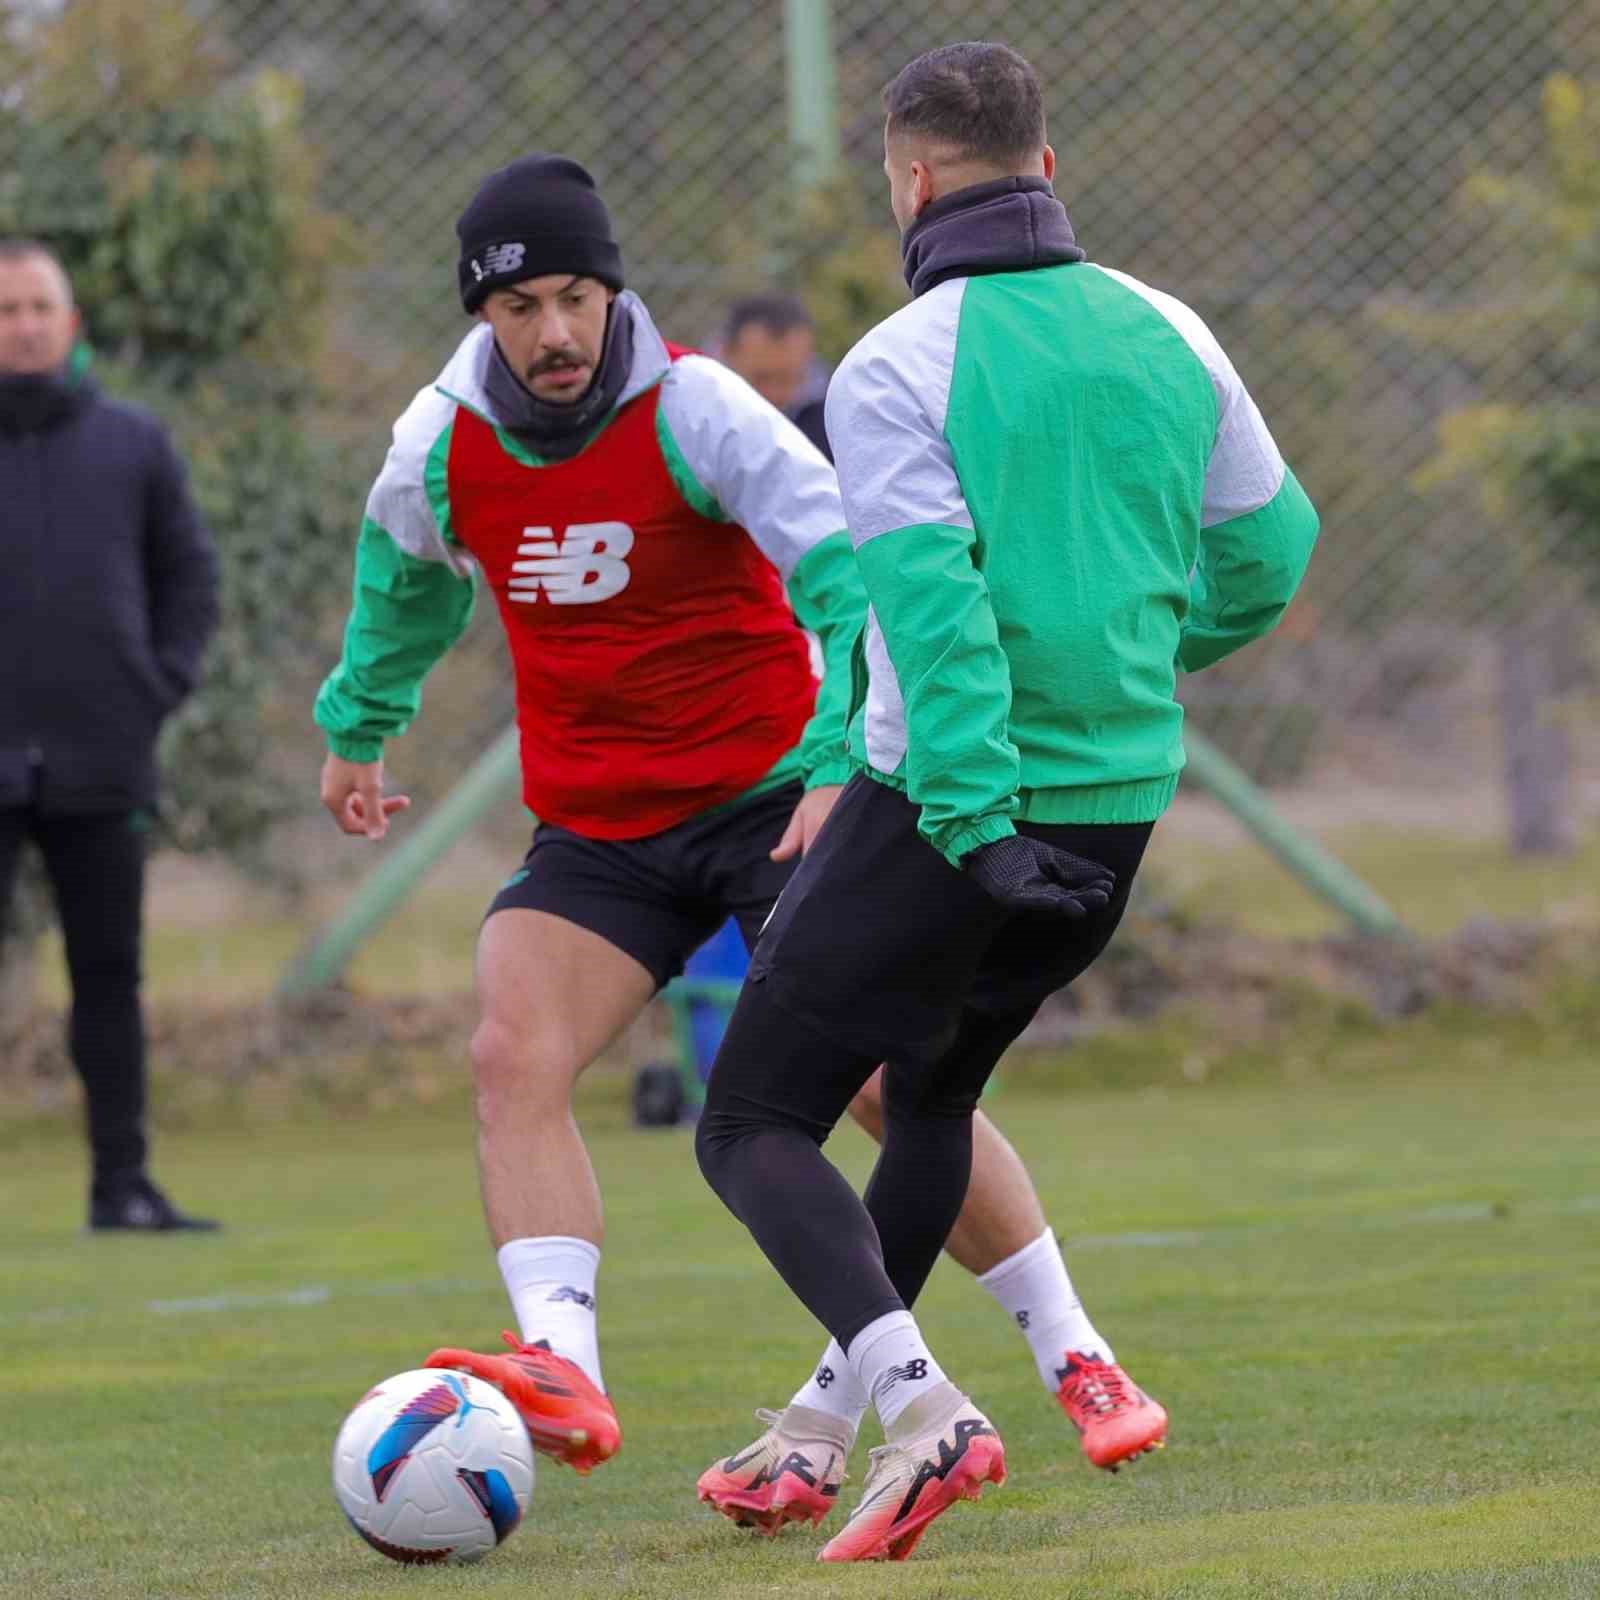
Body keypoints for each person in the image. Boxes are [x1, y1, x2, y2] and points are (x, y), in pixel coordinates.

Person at [313, 153, 1167, 1490]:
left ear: (614, 294)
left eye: (576, 298)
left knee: (894, 1086)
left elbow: (850, 572)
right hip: (599, 831)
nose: (551, 331)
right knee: (508, 1050)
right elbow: (405, 580)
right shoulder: (438, 443)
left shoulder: (698, 407)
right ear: (480, 316)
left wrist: (834, 761)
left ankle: (1075, 1354)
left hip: (774, 800)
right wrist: (360, 723)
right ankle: (565, 1372)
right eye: (520, 305)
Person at [694, 40, 1320, 1563]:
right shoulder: (1174, 331)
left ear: (908, 180)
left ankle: (930, 1420)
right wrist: (1134, 655)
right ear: (1047, 167)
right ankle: (823, 1435)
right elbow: (1271, 554)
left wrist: (970, 820)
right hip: (1116, 808)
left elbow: (933, 612)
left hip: (957, 814)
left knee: (755, 1121)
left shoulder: (904, 363)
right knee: (932, 1102)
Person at [0, 239, 220, 1232]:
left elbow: (190, 579)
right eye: (6, 310)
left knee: (108, 978)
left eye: (40, 305)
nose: (25, 323)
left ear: (71, 322)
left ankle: (122, 1187)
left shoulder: (133, 443)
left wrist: (152, 688)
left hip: (101, 757)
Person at [718, 294, 832, 459]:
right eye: (761, 379)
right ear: (726, 354)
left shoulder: (834, 414)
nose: (775, 394)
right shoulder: (696, 412)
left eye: (789, 380)